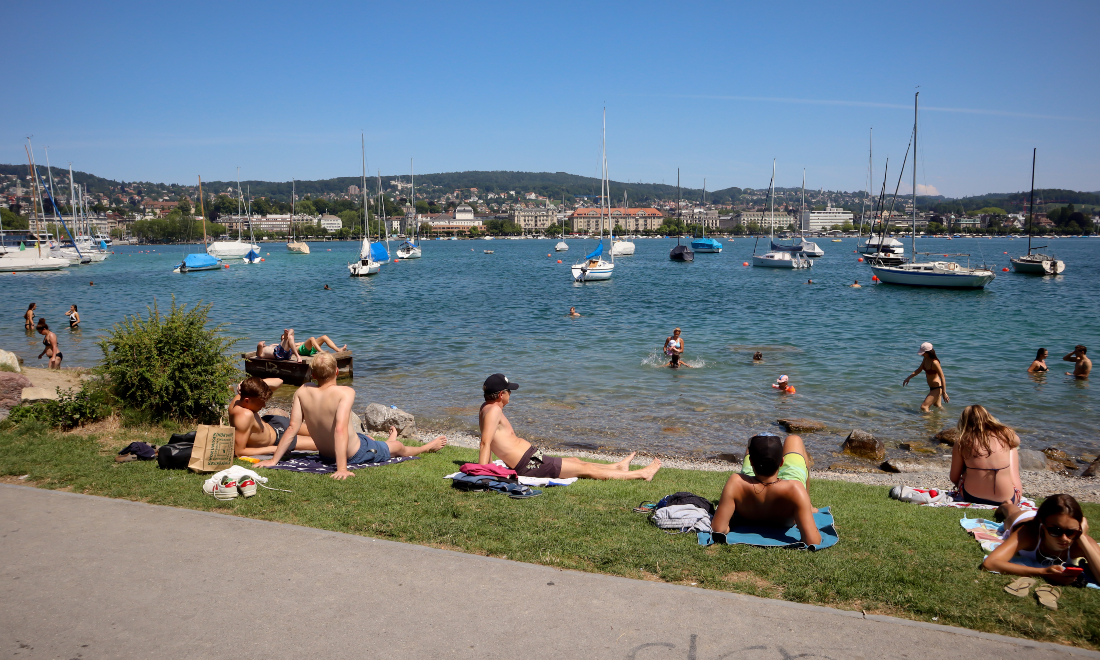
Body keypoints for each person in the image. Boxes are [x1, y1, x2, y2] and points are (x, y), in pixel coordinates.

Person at [256, 353, 446, 480]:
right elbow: (339, 429)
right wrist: (341, 468)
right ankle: (426, 447)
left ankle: (386, 440)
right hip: (354, 454)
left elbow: (292, 428)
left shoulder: (303, 391)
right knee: (398, 448)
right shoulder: (345, 392)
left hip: (326, 454)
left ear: (312, 374)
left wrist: (274, 461)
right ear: (337, 371)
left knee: (367, 439)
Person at [478, 373, 660, 480]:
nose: (511, 394)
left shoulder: (487, 408)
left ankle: (618, 467)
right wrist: (482, 475)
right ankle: (642, 474)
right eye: (510, 391)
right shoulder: (494, 410)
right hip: (529, 465)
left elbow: (492, 441)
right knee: (585, 470)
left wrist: (488, 467)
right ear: (501, 394)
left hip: (531, 459)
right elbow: (485, 443)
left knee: (575, 461)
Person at [712, 434, 821, 546]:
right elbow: (812, 541)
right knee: (794, 439)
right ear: (782, 462)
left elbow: (718, 528)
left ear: (751, 462)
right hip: (788, 490)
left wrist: (730, 521)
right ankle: (809, 506)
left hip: (749, 485)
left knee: (753, 438)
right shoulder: (795, 489)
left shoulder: (736, 482)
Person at [983, 494, 1100, 587]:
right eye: (1055, 531)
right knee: (1011, 513)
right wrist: (1043, 572)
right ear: (1042, 526)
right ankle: (1006, 504)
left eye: (1071, 532)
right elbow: (990, 563)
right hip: (1024, 519)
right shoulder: (1027, 533)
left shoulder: (1079, 541)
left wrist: (1082, 537)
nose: (1065, 538)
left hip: (1048, 518)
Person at [949, 405, 1022, 506]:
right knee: (1012, 448)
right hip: (1009, 499)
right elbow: (1017, 442)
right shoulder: (1004, 433)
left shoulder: (962, 442)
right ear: (988, 417)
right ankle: (1015, 491)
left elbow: (954, 477)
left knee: (967, 465)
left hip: (971, 496)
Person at [229, 376, 318, 457]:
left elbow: (279, 381)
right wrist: (273, 449)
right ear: (247, 401)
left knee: (321, 432)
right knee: (323, 443)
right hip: (279, 439)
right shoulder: (244, 416)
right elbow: (239, 451)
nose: (264, 405)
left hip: (275, 423)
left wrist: (251, 384)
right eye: (261, 402)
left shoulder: (241, 397)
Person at [903, 342, 948, 412]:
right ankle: (945, 420)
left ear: (928, 352)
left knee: (924, 407)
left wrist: (944, 393)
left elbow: (942, 377)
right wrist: (908, 378)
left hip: (937, 388)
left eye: (923, 352)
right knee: (938, 406)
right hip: (932, 388)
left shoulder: (935, 362)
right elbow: (918, 370)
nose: (922, 354)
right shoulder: (925, 359)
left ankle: (928, 421)